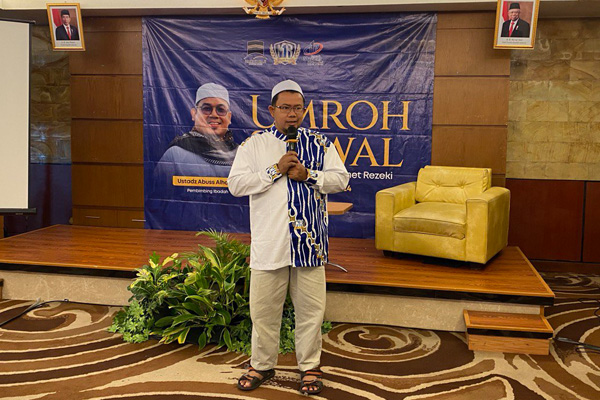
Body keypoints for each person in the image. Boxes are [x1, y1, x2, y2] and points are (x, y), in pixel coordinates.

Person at [229, 80, 349, 395]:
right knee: (263, 312)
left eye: (297, 108)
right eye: (285, 108)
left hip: (309, 244)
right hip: (271, 244)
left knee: (311, 312)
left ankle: (309, 368)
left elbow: (341, 179)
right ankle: (261, 365)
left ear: (304, 110)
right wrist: (274, 170)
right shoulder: (255, 145)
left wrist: (310, 175)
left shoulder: (320, 143)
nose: (291, 114)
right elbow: (236, 185)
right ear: (272, 110)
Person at [155, 83, 238, 179]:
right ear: (194, 114)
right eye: (206, 109)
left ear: (229, 117)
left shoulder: (240, 155)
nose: (214, 115)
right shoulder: (175, 155)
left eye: (221, 110)